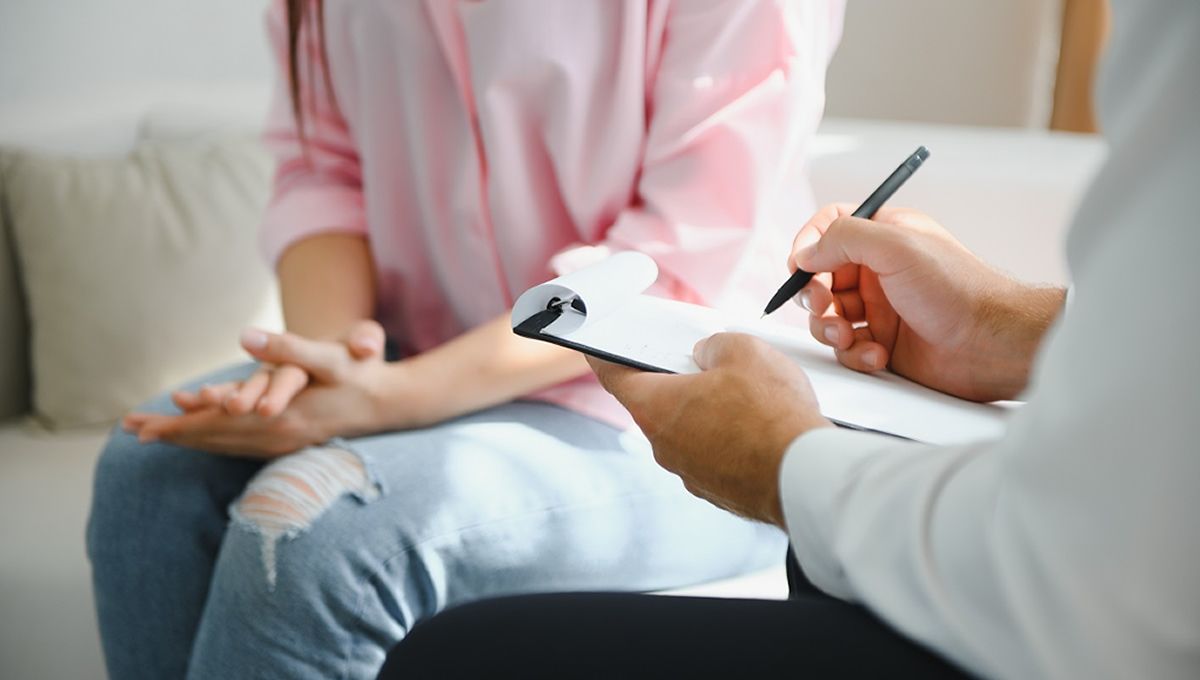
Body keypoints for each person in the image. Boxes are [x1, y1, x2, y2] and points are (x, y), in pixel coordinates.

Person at [379, 1, 1200, 677]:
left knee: (445, 649)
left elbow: (1101, 588)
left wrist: (788, 463)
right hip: (411, 362)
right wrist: (1016, 330)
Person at [85, 1, 846, 678]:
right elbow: (324, 176)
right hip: (423, 364)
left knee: (311, 534)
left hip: (670, 410)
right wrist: (332, 365)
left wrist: (396, 398)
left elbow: (677, 252)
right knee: (148, 469)